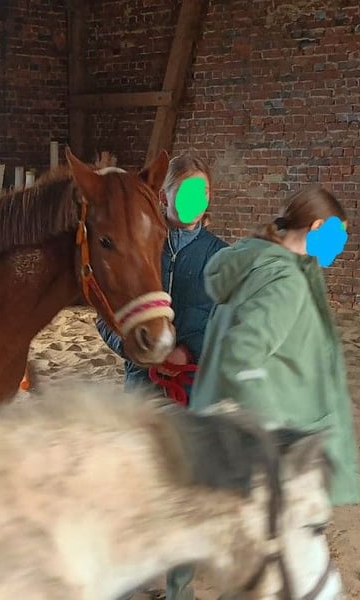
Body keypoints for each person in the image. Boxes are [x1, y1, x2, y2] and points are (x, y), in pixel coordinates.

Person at [96, 152, 227, 600]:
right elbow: (106, 313)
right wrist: (133, 350)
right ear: (164, 196)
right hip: (140, 382)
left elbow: (226, 323)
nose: (193, 200)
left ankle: (179, 587)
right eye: (184, 190)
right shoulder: (138, 242)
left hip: (191, 388)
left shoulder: (220, 257)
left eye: (201, 191)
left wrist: (190, 351)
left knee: (186, 487)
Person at [191, 185, 360, 508]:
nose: (341, 246)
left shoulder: (255, 261)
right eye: (338, 235)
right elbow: (241, 356)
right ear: (316, 227)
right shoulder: (286, 282)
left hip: (224, 428)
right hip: (274, 448)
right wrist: (274, 435)